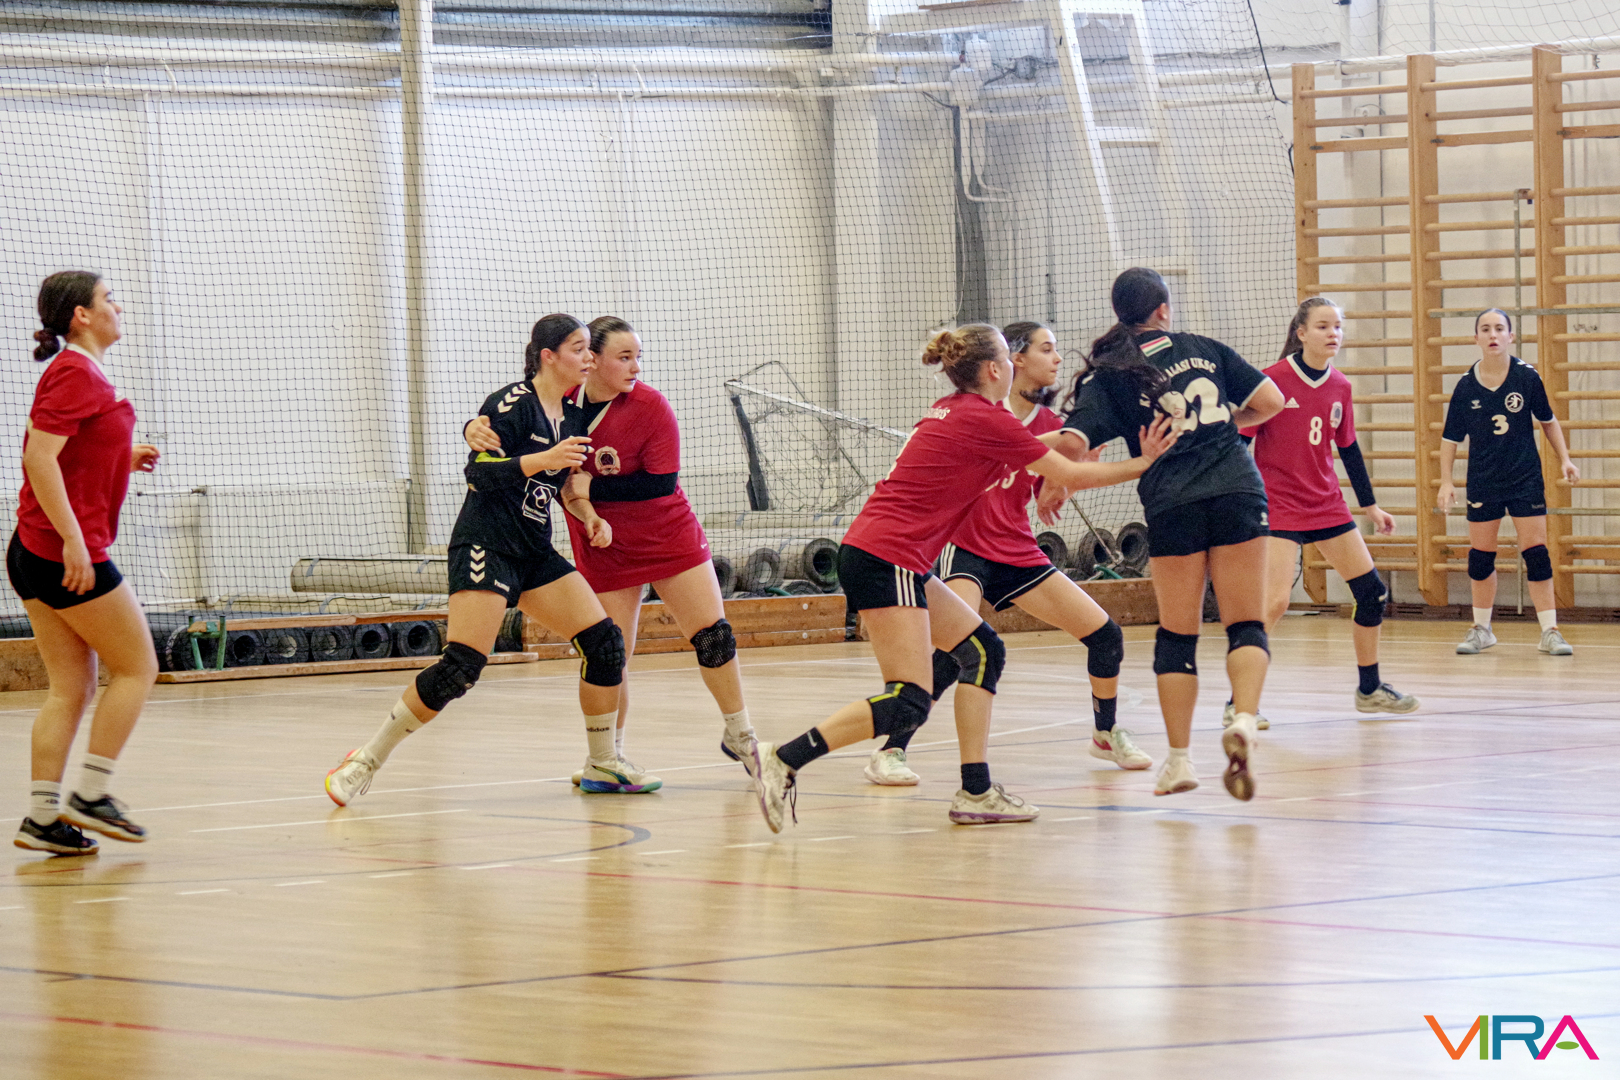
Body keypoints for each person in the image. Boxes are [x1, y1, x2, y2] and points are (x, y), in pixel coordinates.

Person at [750, 323, 1178, 833]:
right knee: (907, 697)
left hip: (888, 554)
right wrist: (1146, 462)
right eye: (1013, 358)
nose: (1019, 364)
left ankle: (976, 791)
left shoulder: (954, 410)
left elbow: (1038, 451)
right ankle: (783, 758)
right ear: (996, 369)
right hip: (888, 557)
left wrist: (1078, 451)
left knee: (982, 651)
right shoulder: (985, 417)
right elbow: (1068, 473)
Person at [324, 314, 641, 805]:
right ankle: (363, 760)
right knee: (462, 667)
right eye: (579, 349)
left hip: (534, 551)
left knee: (605, 645)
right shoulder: (511, 403)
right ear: (548, 356)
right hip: (486, 545)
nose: (589, 359)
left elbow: (564, 488)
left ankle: (603, 762)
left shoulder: (574, 418)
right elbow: (480, 475)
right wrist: (541, 459)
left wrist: (588, 515)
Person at [464, 316, 756, 789]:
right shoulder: (562, 404)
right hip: (603, 541)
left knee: (713, 636)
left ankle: (740, 733)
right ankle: (607, 758)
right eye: (625, 357)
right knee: (610, 653)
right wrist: (472, 428)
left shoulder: (650, 405)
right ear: (593, 360)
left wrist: (592, 486)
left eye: (638, 357)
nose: (636, 367)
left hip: (667, 536)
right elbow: (510, 423)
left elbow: (660, 483)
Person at [864, 321, 1150, 787]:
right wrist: (1141, 463)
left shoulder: (1053, 427)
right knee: (956, 653)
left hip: (1016, 548)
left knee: (1105, 636)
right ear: (1013, 360)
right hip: (965, 547)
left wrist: (1056, 487)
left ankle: (1105, 732)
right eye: (1047, 349)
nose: (1057, 358)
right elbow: (1037, 460)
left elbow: (1058, 474)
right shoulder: (977, 413)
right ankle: (892, 749)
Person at [1046, 267, 1285, 801]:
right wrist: (1223, 424)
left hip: (1173, 500)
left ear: (1120, 315)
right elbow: (1271, 403)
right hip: (1237, 488)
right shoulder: (1206, 348)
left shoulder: (1112, 372)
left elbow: (1072, 442)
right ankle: (1244, 719)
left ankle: (1179, 760)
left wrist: (1048, 478)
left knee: (1178, 635)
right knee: (1246, 623)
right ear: (1163, 310)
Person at [11, 272, 162, 856]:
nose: (117, 306)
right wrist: (74, 542)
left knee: (71, 689)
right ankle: (92, 795)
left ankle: (42, 819)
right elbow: (39, 458)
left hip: (34, 551)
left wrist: (122, 455)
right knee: (138, 668)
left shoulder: (77, 371)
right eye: (108, 298)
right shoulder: (75, 371)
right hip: (63, 554)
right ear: (81, 314)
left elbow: (70, 449)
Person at [1241, 298, 1419, 720]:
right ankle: (1240, 703)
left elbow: (1349, 448)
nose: (1333, 333)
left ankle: (1369, 689)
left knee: (1372, 593)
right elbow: (1240, 443)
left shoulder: (1341, 386)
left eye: (1337, 326)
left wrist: (1371, 506)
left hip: (1326, 504)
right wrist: (1240, 499)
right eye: (1323, 326)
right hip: (1279, 504)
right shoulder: (1271, 381)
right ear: (1301, 333)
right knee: (1274, 603)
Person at [1438, 308, 1579, 656]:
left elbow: (1548, 421)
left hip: (1524, 478)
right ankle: (1481, 629)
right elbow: (1450, 439)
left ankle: (1550, 631)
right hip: (1483, 480)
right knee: (1481, 558)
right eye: (1485, 329)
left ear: (1510, 336)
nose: (1493, 334)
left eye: (1499, 328)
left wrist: (1565, 459)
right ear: (1476, 338)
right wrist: (1446, 481)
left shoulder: (1526, 377)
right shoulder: (1465, 386)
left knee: (1537, 554)